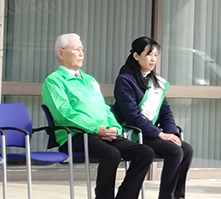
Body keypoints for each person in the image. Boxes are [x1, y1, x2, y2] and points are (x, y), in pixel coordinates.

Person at [42, 33, 154, 199]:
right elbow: (64, 114)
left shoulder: (90, 80)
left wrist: (115, 127)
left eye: (82, 49)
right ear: (60, 53)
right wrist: (96, 128)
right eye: (76, 49)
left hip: (102, 134)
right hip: (76, 135)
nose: (81, 53)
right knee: (112, 154)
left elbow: (104, 109)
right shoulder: (54, 81)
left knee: (145, 152)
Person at [113, 36, 194, 199]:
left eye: (156, 55)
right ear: (136, 56)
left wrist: (171, 133)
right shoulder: (125, 80)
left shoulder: (155, 81)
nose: (153, 59)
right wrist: (159, 134)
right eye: (149, 54)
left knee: (186, 150)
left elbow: (165, 112)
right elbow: (132, 117)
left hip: (151, 133)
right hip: (134, 132)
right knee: (174, 151)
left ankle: (178, 196)